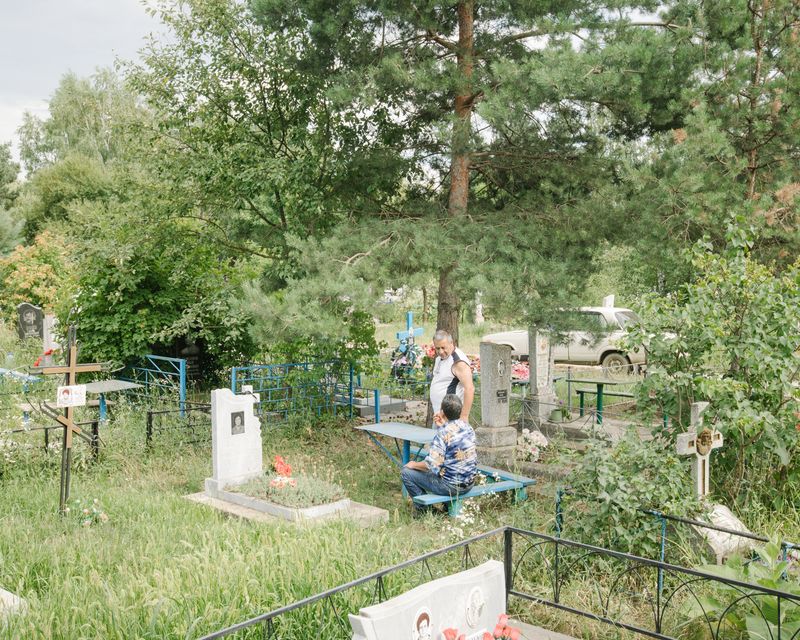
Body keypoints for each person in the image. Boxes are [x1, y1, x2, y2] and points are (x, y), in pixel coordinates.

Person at [401, 394, 477, 515]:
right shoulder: (468, 428)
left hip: (451, 486)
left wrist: (413, 464)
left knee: (406, 472)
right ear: (460, 410)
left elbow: (432, 465)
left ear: (442, 412)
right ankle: (445, 507)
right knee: (443, 467)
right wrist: (443, 425)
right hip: (469, 483)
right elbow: (454, 439)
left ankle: (425, 511)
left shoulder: (442, 433)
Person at [429, 329, 474, 424]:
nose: (440, 351)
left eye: (443, 347)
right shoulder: (440, 358)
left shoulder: (458, 362)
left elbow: (469, 389)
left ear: (451, 343)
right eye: (437, 348)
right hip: (440, 416)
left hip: (453, 419)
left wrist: (464, 416)